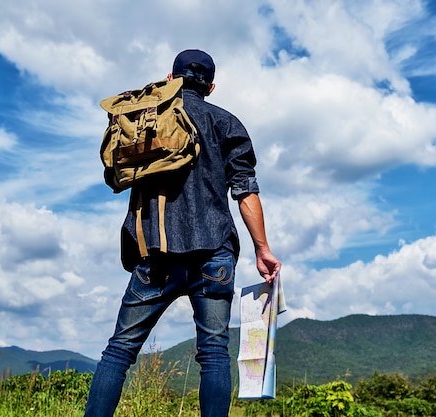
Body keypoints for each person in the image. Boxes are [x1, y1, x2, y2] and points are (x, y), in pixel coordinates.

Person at [83, 49, 281, 417]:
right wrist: (262, 249)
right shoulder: (227, 123)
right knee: (213, 352)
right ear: (211, 85)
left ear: (170, 78)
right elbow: (245, 190)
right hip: (213, 253)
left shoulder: (147, 119)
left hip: (155, 254)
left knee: (120, 350)